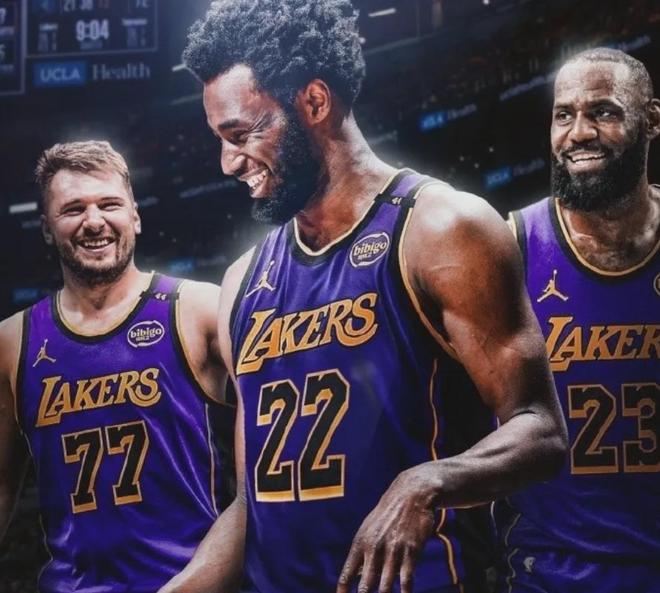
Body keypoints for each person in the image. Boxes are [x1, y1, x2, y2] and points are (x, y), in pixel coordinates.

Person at [161, 2, 567, 592]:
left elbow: (541, 430)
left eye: (242, 134)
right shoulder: (243, 282)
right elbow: (253, 504)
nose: (228, 162)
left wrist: (427, 482)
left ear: (314, 102)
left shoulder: (441, 229)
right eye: (220, 140)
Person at [0, 141, 234, 593]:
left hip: (189, 583)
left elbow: (263, 471)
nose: (94, 221)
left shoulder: (199, 308)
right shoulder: (13, 341)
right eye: (73, 209)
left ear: (135, 216)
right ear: (47, 227)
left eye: (109, 204)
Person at [496, 48, 660, 592]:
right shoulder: (510, 245)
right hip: (547, 572)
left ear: (652, 121)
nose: (579, 132)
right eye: (564, 115)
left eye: (604, 112)